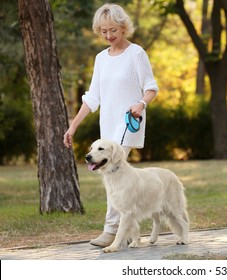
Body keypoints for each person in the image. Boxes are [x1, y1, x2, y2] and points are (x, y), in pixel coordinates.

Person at [63, 3, 158, 247]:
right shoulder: (101, 59)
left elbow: (151, 87)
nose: (108, 36)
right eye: (103, 31)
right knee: (116, 178)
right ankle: (127, 230)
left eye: (113, 30)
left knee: (113, 175)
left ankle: (112, 231)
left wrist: (141, 105)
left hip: (129, 124)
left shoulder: (136, 53)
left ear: (124, 27)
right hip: (108, 129)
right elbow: (92, 97)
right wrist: (73, 127)